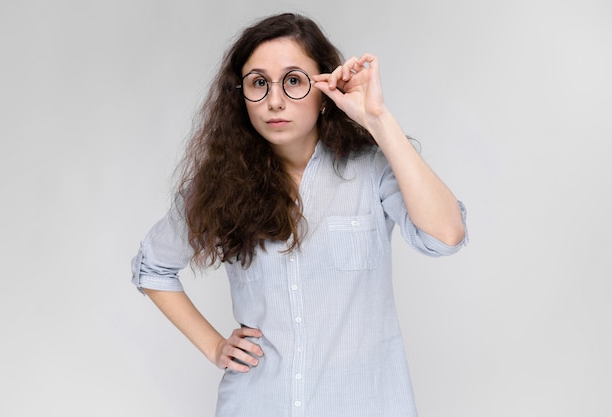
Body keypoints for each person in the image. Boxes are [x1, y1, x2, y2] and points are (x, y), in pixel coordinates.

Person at [131, 12, 467, 417]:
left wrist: (378, 119)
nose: (275, 100)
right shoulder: (218, 188)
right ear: (240, 96)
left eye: (293, 81)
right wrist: (215, 346)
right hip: (257, 404)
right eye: (259, 83)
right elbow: (152, 267)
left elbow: (446, 235)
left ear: (324, 87)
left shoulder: (370, 171)